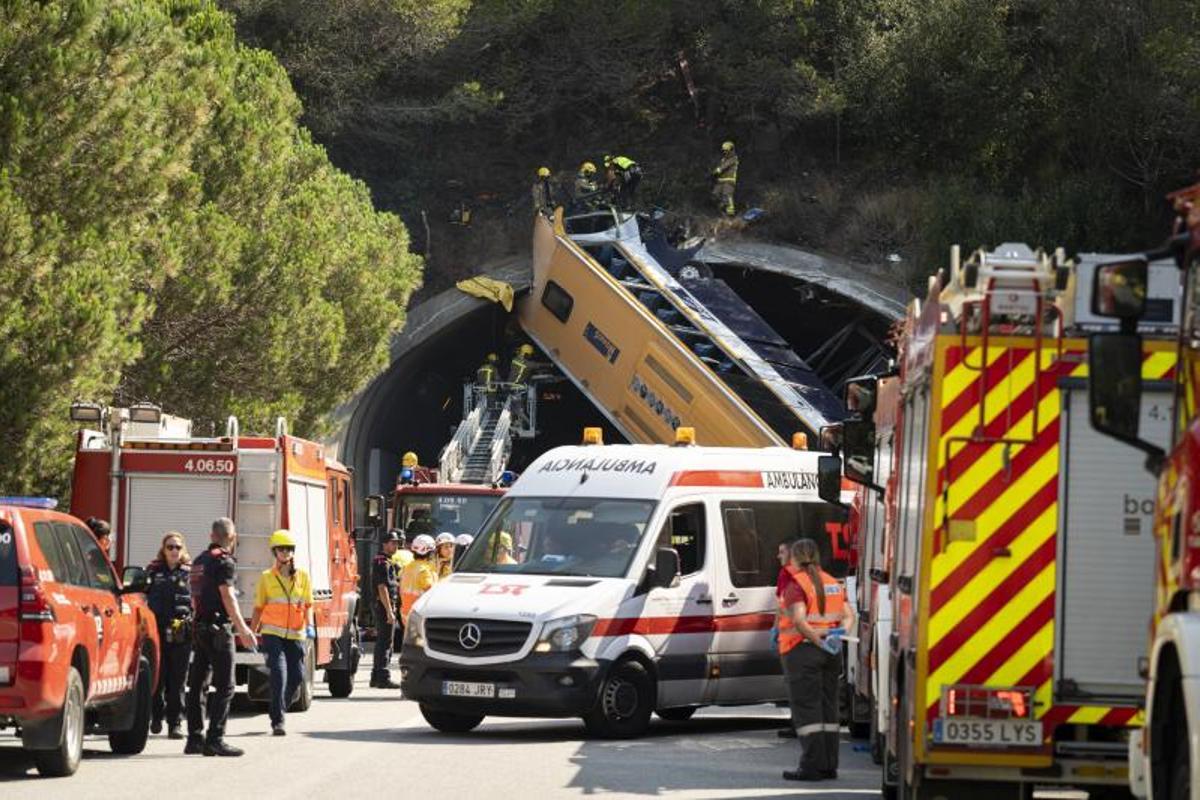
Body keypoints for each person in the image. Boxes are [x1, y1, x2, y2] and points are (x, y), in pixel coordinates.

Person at [779, 538, 855, 782]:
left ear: (796, 558)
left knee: (807, 711)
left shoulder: (796, 584)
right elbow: (848, 616)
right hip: (831, 654)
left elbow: (800, 622)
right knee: (828, 709)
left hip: (802, 652)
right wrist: (837, 635)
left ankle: (811, 766)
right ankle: (828, 765)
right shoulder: (833, 582)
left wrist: (817, 640)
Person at [186, 517, 256, 757]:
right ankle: (215, 738)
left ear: (211, 536)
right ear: (232, 537)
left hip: (199, 628)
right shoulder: (223, 562)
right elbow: (228, 596)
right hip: (218, 630)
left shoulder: (199, 561)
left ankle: (194, 738)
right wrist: (243, 629)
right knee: (226, 685)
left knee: (197, 685)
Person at [250, 530, 314, 736]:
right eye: (281, 549)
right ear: (274, 552)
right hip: (272, 632)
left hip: (296, 633)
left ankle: (279, 707)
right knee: (279, 673)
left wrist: (310, 625)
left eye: (288, 549)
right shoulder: (266, 578)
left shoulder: (303, 576)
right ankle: (278, 720)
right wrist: (252, 633)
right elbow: (259, 607)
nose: (285, 552)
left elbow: (308, 604)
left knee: (297, 676)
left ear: (293, 552)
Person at [146, 532, 192, 740]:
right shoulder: (153, 572)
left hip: (180, 633)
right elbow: (139, 596)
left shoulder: (189, 574)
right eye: (170, 547)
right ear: (163, 550)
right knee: (158, 678)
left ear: (183, 551)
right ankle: (156, 717)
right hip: (157, 631)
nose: (174, 551)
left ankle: (175, 724)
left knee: (178, 681)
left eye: (178, 547)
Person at [371, 530, 402, 689]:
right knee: (386, 643)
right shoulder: (382, 562)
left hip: (385, 606)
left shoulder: (388, 561)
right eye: (392, 542)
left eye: (396, 542)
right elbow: (382, 587)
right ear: (384, 543)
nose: (395, 545)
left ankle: (376, 676)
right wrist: (389, 611)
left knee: (382, 642)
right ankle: (383, 677)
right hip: (384, 606)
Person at [399, 535, 439, 626]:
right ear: (430, 552)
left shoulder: (408, 567)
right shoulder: (424, 570)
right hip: (421, 615)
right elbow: (431, 592)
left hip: (406, 614)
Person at [711, 140, 738, 217]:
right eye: (724, 151)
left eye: (727, 150)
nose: (725, 152)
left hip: (729, 181)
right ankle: (721, 209)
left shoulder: (733, 159)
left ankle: (731, 214)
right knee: (715, 195)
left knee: (727, 195)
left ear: (731, 150)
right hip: (720, 181)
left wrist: (715, 171)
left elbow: (723, 167)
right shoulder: (723, 159)